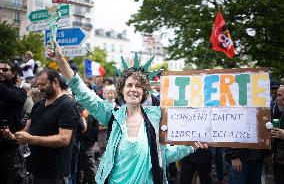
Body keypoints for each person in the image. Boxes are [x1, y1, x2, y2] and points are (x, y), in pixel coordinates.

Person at [46, 41, 207, 184]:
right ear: (122, 90)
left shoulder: (156, 117)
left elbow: (164, 155)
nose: (133, 90)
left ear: (144, 92)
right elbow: (83, 93)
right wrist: (61, 61)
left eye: (138, 86)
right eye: (129, 85)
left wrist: (190, 146)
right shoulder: (113, 115)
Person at [3, 68, 81, 184]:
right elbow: (26, 131)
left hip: (54, 173)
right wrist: (14, 136)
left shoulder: (67, 105)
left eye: (43, 84)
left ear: (55, 82)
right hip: (34, 169)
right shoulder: (38, 105)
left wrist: (31, 139)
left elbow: (64, 139)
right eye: (38, 84)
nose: (39, 88)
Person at [0, 60, 28, 184]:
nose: (0, 71)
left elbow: (11, 97)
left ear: (13, 73)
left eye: (5, 69)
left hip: (12, 148)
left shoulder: (20, 92)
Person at [270, 85, 284, 184]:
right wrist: (274, 154)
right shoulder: (279, 111)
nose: (276, 98)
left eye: (279, 95)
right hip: (279, 161)